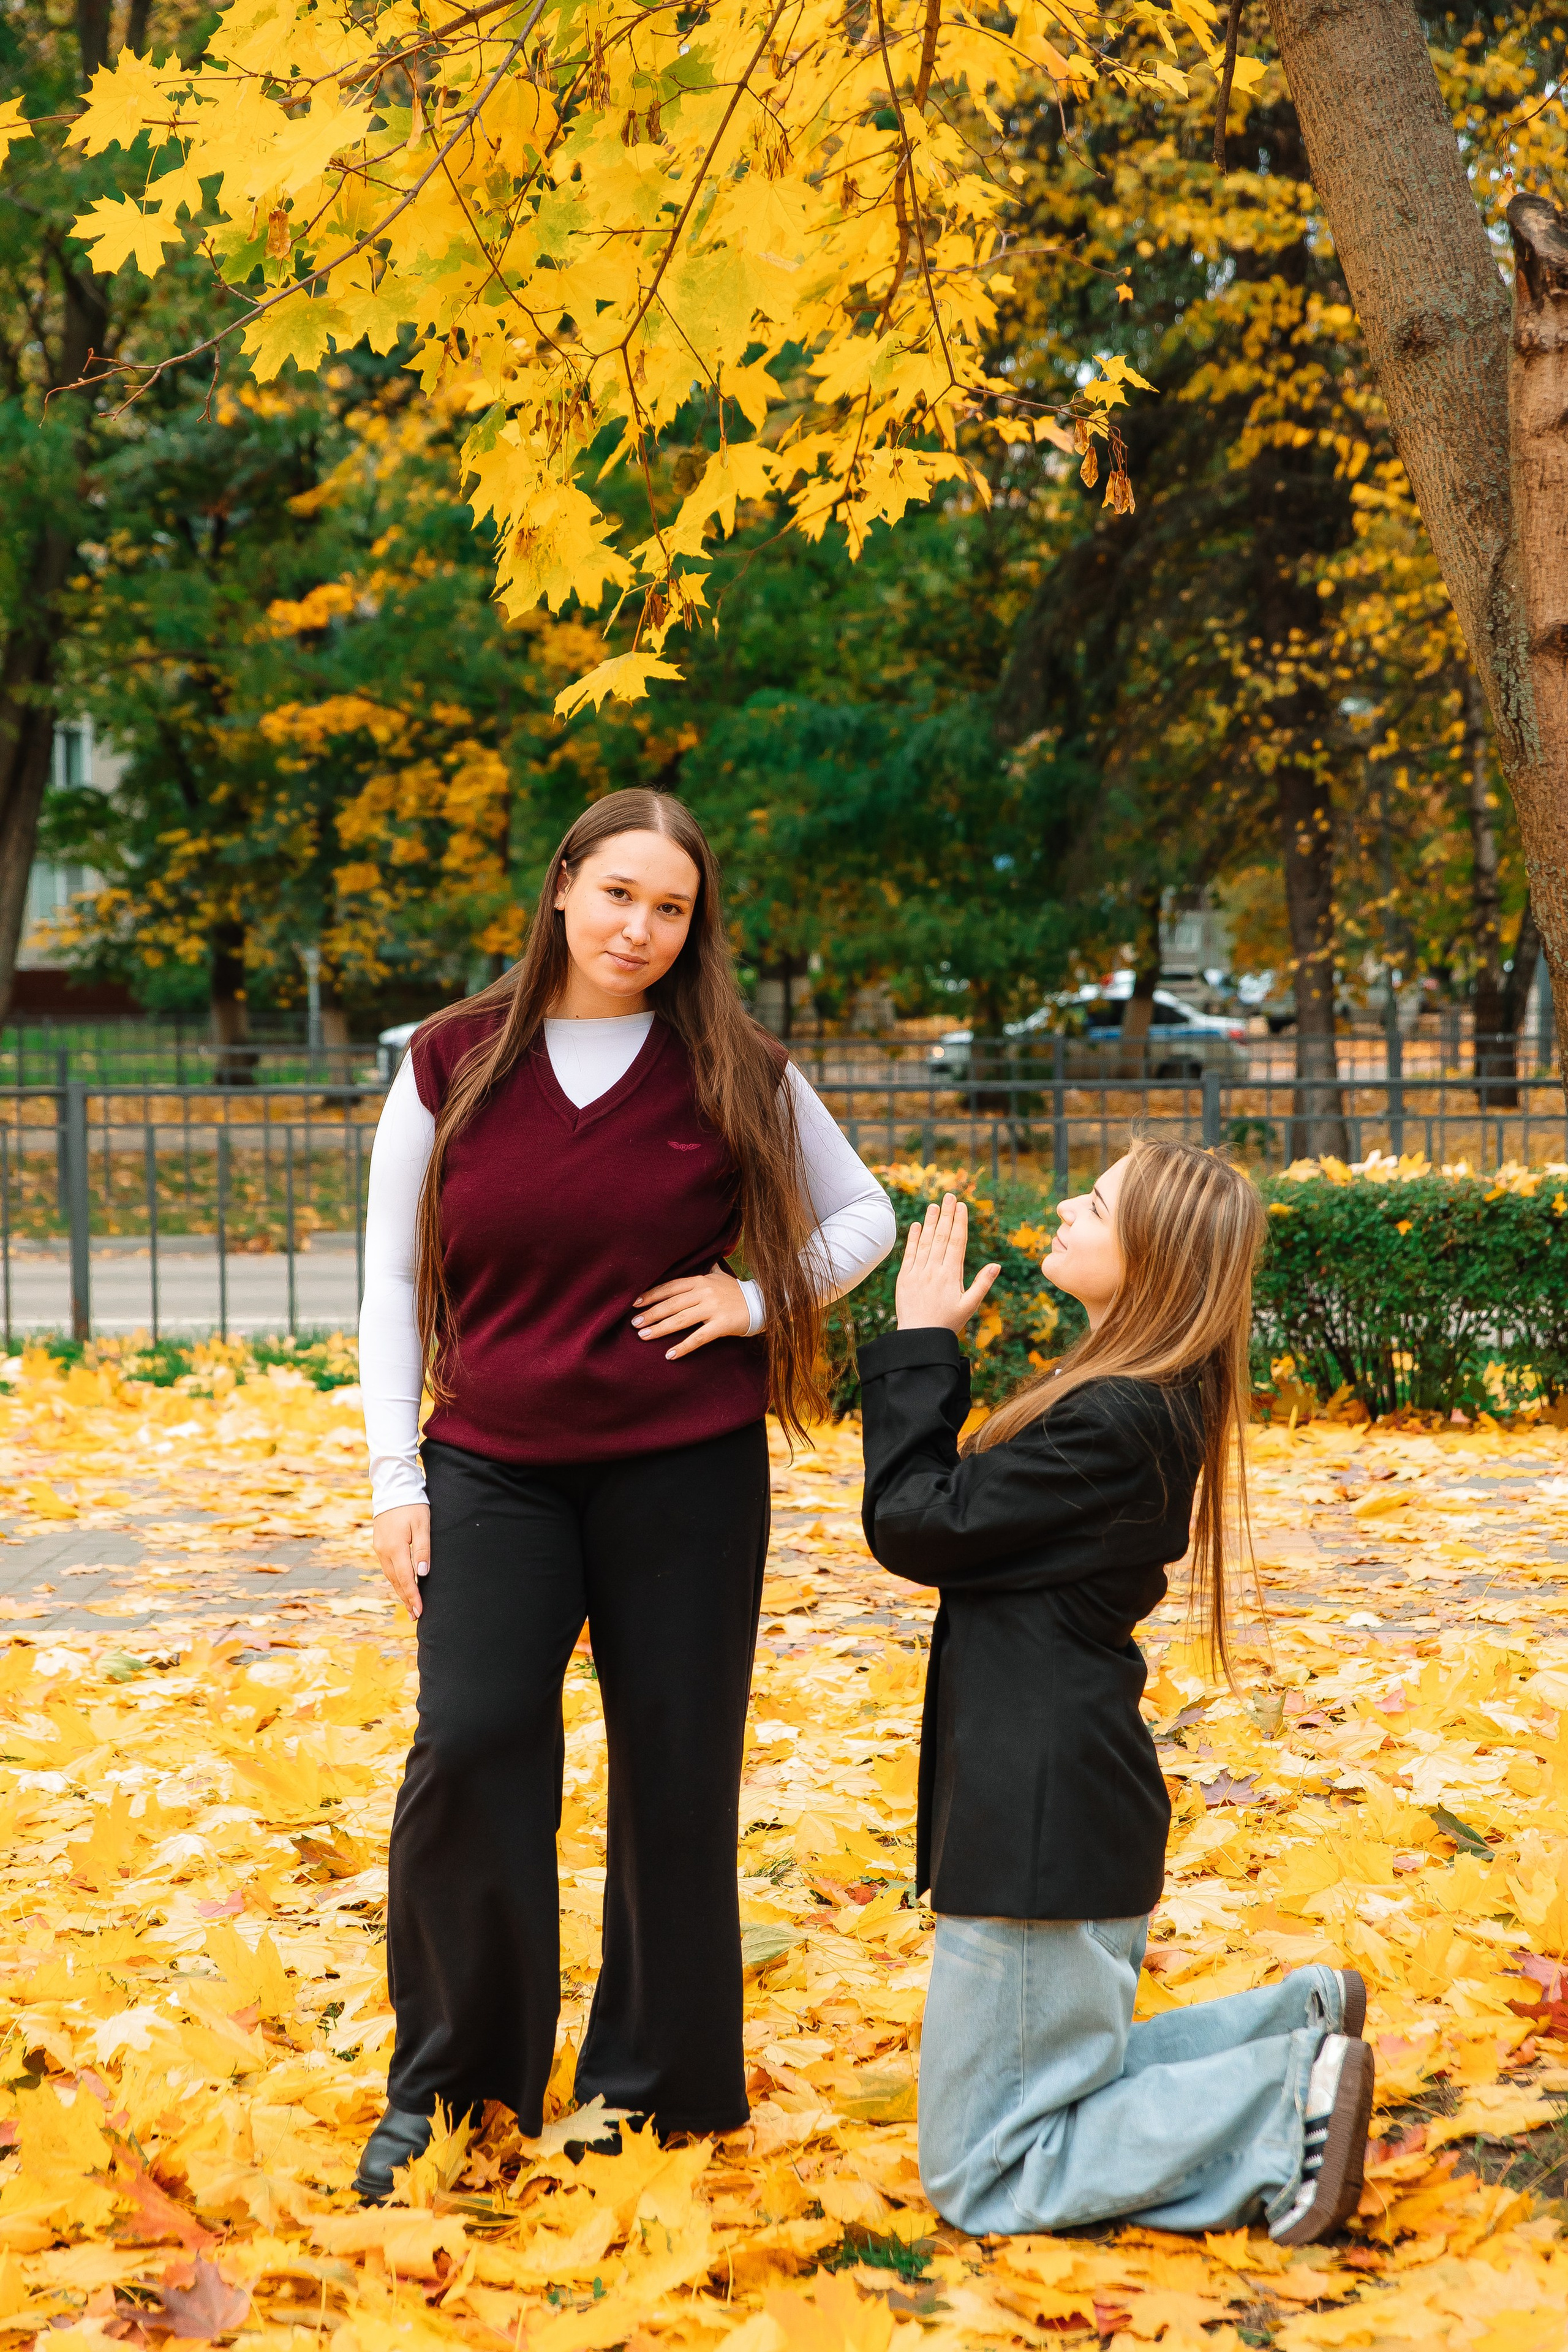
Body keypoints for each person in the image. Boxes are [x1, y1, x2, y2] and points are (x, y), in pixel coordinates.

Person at [353, 787, 895, 2200]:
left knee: (672, 1776)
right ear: (561, 891)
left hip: (683, 1477)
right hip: (490, 1466)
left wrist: (750, 1295)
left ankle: (653, 2096)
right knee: (469, 1750)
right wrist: (389, 1477)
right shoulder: (452, 1060)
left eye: (671, 907)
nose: (641, 928)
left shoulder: (731, 1061)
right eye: (618, 895)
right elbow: (391, 1286)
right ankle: (455, 2094)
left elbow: (864, 1216)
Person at [855, 1143, 1375, 2245]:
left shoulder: (1117, 1420)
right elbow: (952, 1514)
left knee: (984, 2166)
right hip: (1050, 1811)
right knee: (1048, 2098)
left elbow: (914, 1523)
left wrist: (920, 1343)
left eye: (1091, 1203)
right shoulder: (1118, 1398)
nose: (1062, 1206)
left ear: (1148, 1257)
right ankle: (1297, 2026)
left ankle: (1286, 2101)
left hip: (1041, 1829)